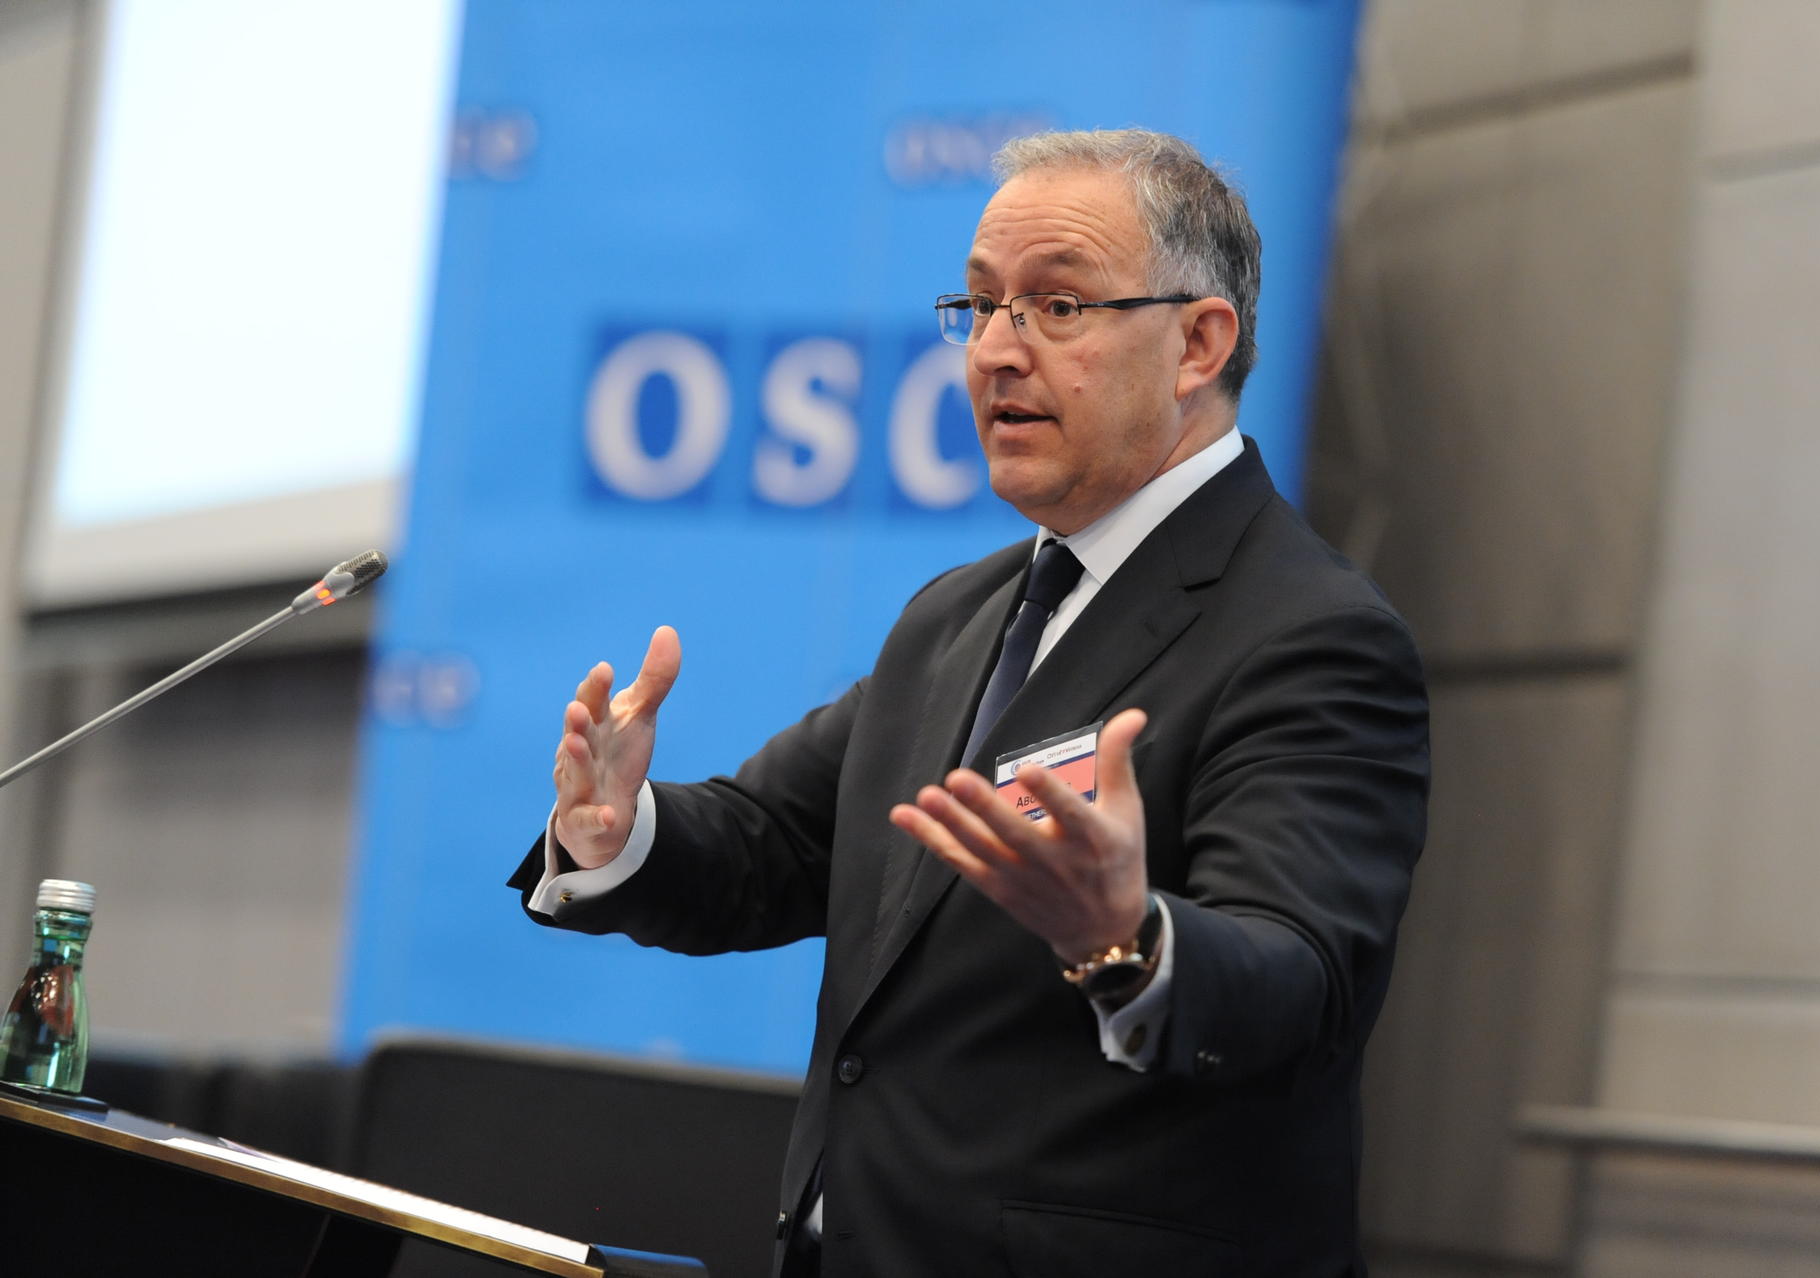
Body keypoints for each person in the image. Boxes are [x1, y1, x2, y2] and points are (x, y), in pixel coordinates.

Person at [510, 128, 1428, 1277]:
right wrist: (617, 830)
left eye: (1057, 307)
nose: (995, 351)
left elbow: (1296, 983)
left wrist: (1126, 938)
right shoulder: (960, 613)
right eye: (983, 305)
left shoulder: (1312, 635)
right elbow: (779, 841)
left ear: (1199, 343)